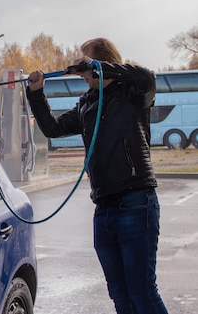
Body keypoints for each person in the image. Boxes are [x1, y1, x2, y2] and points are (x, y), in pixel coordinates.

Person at [26, 37, 168, 314]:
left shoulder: (132, 91)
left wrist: (100, 68)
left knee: (143, 292)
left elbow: (147, 77)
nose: (81, 73)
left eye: (85, 63)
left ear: (104, 62)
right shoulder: (87, 103)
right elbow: (52, 128)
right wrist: (36, 93)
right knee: (119, 294)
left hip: (136, 202)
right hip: (104, 209)